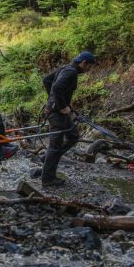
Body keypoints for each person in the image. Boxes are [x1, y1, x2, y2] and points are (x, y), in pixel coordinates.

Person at [41, 51, 97, 187]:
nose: (89, 69)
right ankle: (48, 179)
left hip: (58, 111)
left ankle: (48, 159)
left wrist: (54, 100)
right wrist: (61, 105)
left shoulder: (65, 68)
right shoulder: (70, 72)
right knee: (55, 146)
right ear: (84, 63)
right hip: (56, 113)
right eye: (89, 66)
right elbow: (56, 87)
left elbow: (46, 80)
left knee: (73, 136)